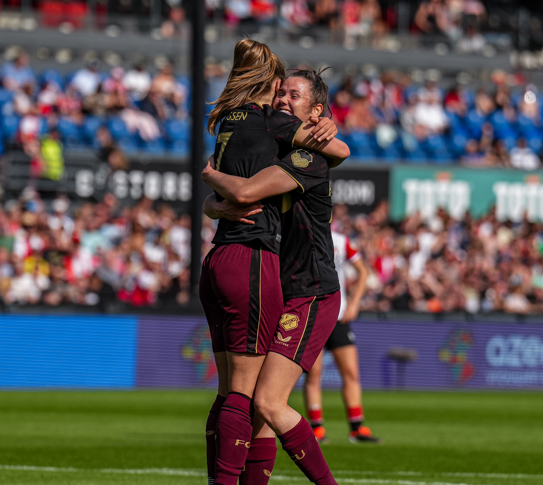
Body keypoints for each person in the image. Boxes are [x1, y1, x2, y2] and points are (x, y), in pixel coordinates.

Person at [198, 40, 347, 485]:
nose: (282, 100)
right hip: (275, 280)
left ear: (315, 111)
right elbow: (234, 194)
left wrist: (211, 177)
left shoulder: (307, 156)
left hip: (310, 290)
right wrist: (213, 204)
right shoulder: (276, 143)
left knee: (265, 401)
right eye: (280, 93)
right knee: (259, 408)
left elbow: (245, 191)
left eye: (293, 95)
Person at [302, 227, 381, 444]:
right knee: (313, 374)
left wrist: (354, 303)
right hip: (313, 316)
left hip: (338, 316)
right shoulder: (301, 235)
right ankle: (317, 429)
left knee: (351, 373)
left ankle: (357, 428)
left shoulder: (341, 241)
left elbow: (363, 271)